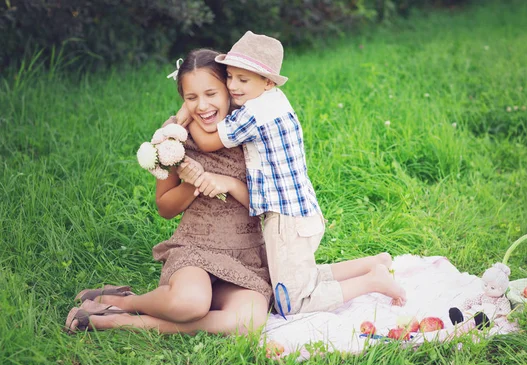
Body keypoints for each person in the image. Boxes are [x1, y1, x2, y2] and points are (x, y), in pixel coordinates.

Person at [181, 31, 407, 317]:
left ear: (267, 81)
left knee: (292, 302)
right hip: (302, 212)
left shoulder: (254, 113)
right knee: (298, 277)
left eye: (243, 79)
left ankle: (372, 281)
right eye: (230, 77)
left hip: (285, 219)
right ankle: (372, 264)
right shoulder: (274, 100)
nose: (233, 86)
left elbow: (207, 141)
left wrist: (186, 111)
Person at [65, 49, 272, 336]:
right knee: (190, 303)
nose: (203, 106)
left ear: (229, 90)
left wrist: (231, 184)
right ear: (183, 100)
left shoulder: (253, 133)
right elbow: (164, 208)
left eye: (211, 93)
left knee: (248, 322)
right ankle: (123, 302)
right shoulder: (175, 140)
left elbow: (271, 206)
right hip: (196, 249)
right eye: (191, 98)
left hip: (245, 257)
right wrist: (192, 183)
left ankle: (116, 320)